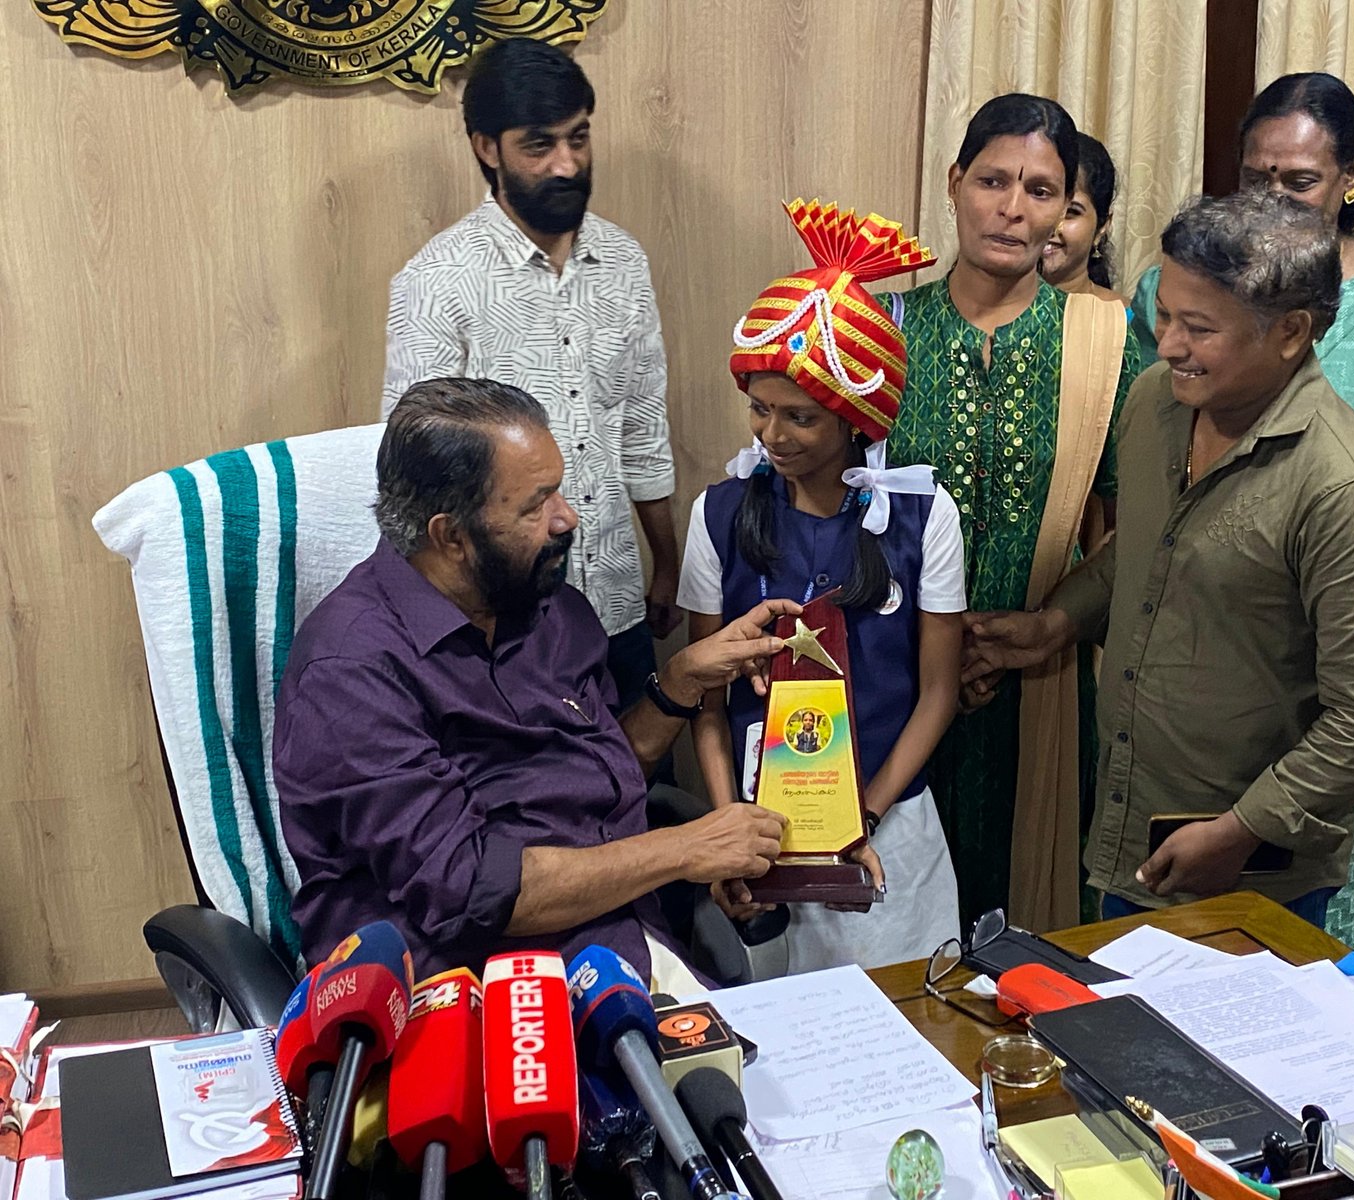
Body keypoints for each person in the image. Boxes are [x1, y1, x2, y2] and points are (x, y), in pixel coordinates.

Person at [966, 191, 1354, 929]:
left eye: (1199, 328)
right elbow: (1147, 549)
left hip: (1247, 871)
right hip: (1126, 821)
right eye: (1166, 314)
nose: (1169, 343)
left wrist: (1242, 829)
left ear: (1291, 332)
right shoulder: (1157, 402)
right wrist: (1057, 623)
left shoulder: (1345, 488)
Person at [276, 378, 797, 989]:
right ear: (451, 536)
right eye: (535, 505)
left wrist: (677, 684)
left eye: (559, 490)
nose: (566, 517)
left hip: (619, 943)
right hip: (473, 990)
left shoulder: (547, 608)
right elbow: (474, 889)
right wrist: (685, 850)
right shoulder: (350, 672)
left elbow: (593, 773)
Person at [1131, 72, 1354, 956]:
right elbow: (1162, 514)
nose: (1276, 199)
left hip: (1330, 647)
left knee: (1291, 927)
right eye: (1259, 178)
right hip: (1200, 652)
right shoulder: (1178, 348)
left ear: (1350, 179)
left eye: (1300, 181)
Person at [679, 201, 964, 972]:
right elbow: (707, 702)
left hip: (886, 824)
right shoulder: (718, 513)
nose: (772, 436)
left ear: (855, 419)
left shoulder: (924, 516)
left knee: (903, 1015)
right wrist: (728, 830)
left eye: (800, 417)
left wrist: (859, 818)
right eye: (760, 410)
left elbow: (938, 692)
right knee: (770, 1024)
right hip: (758, 831)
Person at [888, 94, 1143, 930]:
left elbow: (1145, 523)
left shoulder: (1106, 342)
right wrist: (933, 648)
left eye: (1041, 191)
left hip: (1047, 677)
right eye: (992, 181)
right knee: (898, 918)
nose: (1012, 208)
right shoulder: (882, 330)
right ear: (954, 183)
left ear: (1067, 210)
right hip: (894, 677)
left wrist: (1055, 624)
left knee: (1031, 927)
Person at [381, 38, 679, 717]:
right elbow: (416, 474)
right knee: (540, 781)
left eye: (579, 138)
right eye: (539, 146)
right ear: (488, 148)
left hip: (618, 598)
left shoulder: (625, 261)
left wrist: (665, 563)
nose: (566, 164)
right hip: (507, 621)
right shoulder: (436, 281)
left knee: (641, 769)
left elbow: (642, 427)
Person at [1040, 132, 1124, 304]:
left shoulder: (1123, 316)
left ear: (1102, 226)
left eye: (1071, 212)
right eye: (1040, 203)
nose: (1051, 225)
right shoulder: (986, 310)